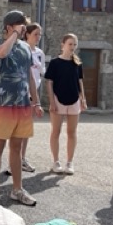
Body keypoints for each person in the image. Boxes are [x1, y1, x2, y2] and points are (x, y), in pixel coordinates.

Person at [0, 10, 43, 206]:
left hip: (23, 105)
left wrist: (36, 101)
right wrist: (14, 35)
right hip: (3, 105)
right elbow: (1, 54)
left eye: (24, 25)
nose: (24, 28)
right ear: (9, 27)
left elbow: (29, 76)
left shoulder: (25, 47)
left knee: (16, 149)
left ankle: (17, 189)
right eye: (21, 25)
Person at [5, 22, 45, 175]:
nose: (38, 37)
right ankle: (12, 162)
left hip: (32, 95)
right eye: (35, 34)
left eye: (40, 34)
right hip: (19, 95)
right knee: (15, 131)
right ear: (27, 34)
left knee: (26, 130)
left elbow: (39, 74)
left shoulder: (40, 53)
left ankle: (21, 159)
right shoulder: (21, 49)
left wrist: (36, 99)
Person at [45, 33, 87, 175]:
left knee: (72, 132)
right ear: (63, 45)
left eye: (75, 44)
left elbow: (80, 82)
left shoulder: (77, 63)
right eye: (70, 44)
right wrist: (52, 101)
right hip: (58, 100)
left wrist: (83, 99)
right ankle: (56, 162)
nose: (72, 47)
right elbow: (49, 82)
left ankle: (69, 162)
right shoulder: (55, 63)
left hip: (74, 101)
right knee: (55, 131)